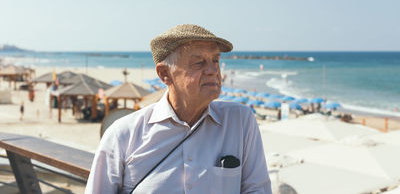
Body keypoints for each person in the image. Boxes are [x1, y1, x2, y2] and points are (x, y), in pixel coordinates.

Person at [85, 24, 272, 194]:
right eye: (199, 62)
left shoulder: (240, 121)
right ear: (164, 74)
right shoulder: (123, 134)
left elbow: (257, 190)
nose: (213, 70)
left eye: (215, 60)